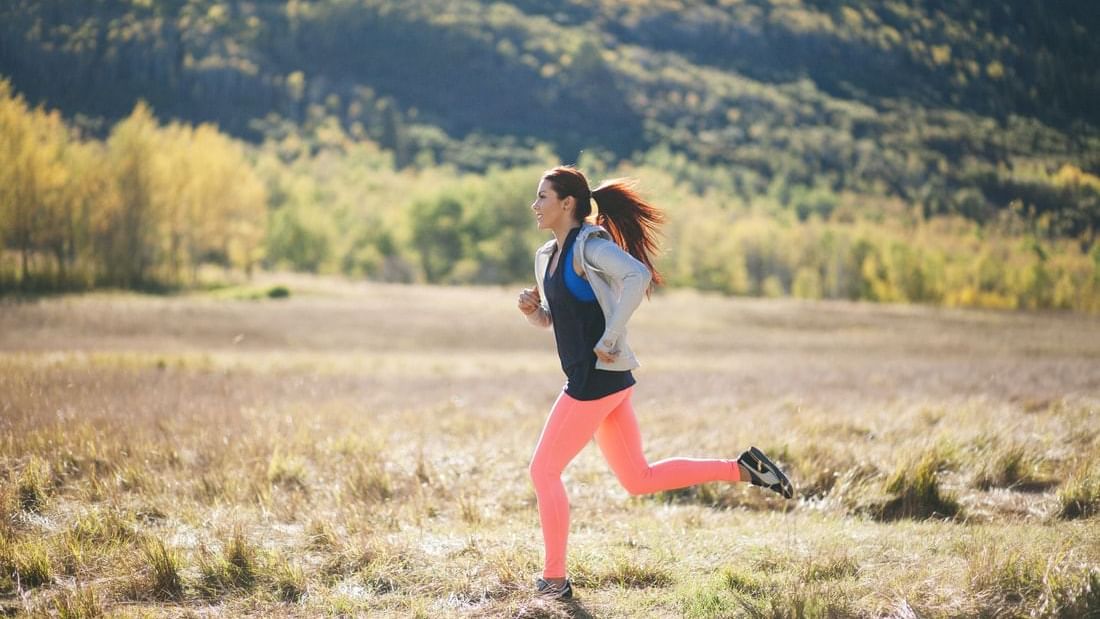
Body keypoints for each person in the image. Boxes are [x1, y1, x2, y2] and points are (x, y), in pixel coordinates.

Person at [516, 165, 794, 600]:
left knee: (543, 470)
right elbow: (557, 321)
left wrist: (610, 338)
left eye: (542, 197)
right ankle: (744, 469)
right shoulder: (547, 256)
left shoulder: (589, 246)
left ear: (567, 203)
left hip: (593, 382)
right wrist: (534, 312)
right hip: (608, 382)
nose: (535, 205)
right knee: (638, 479)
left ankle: (554, 579)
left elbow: (637, 276)